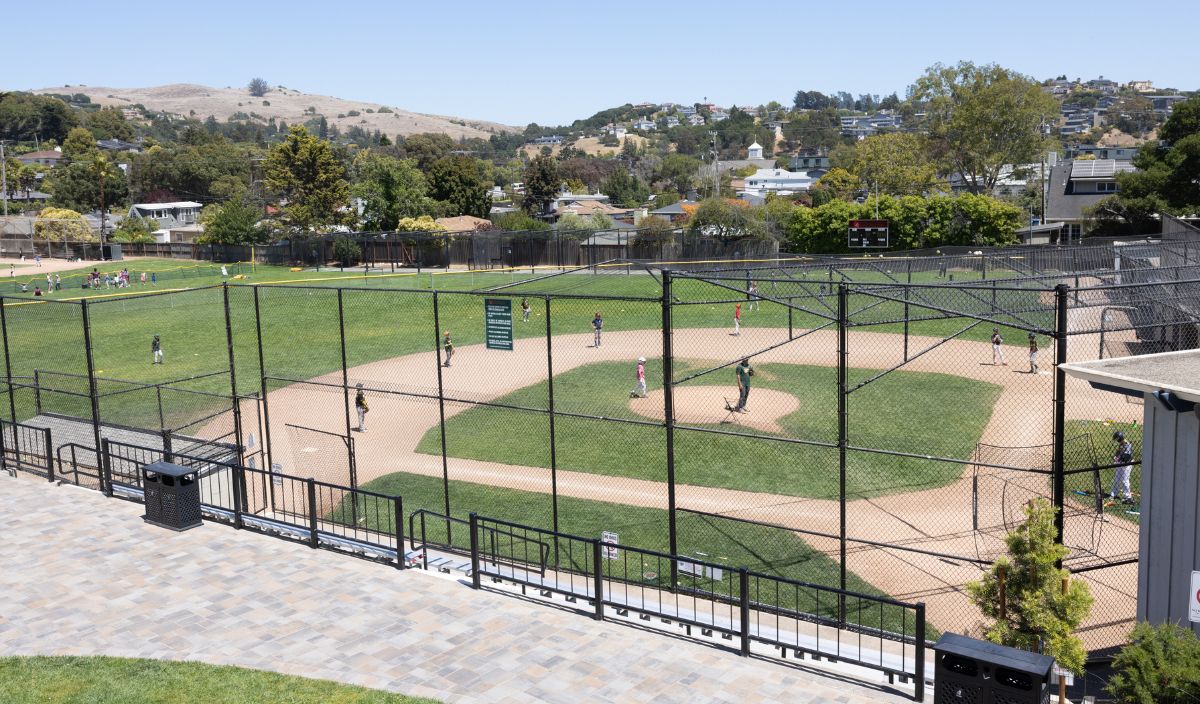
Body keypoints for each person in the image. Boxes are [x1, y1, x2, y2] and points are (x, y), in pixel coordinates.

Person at [1111, 431, 1134, 503]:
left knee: (1125, 480)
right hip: (1120, 464)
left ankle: (1128, 498)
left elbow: (1126, 457)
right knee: (1117, 479)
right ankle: (1114, 494)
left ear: (1119, 438)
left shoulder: (1127, 445)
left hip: (1127, 465)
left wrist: (1118, 459)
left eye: (1117, 439)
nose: (1117, 441)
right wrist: (1116, 456)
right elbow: (1118, 452)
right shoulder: (1121, 444)